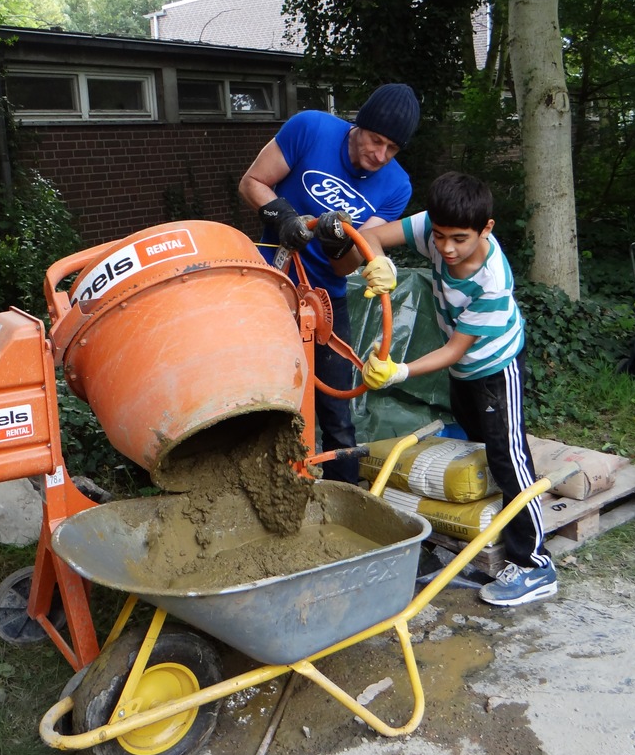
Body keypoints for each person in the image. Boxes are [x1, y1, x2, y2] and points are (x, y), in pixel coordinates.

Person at [342, 171, 555, 607]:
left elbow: (457, 349)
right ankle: (483, 533)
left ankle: (535, 564)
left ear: (486, 229)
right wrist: (376, 263)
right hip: (463, 373)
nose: (446, 248)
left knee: (508, 455)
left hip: (495, 369)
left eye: (460, 238)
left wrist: (400, 371)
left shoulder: (492, 281)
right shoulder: (432, 227)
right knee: (475, 447)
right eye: (439, 236)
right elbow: (370, 235)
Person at [238, 84, 421, 483]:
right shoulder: (310, 128)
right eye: (376, 141)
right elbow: (252, 182)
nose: (380, 156)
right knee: (263, 399)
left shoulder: (397, 186)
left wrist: (340, 243)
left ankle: (345, 498)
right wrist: (284, 216)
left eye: (392, 149)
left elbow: (348, 264)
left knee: (337, 412)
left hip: (324, 299)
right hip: (267, 284)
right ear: (359, 125)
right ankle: (263, 487)